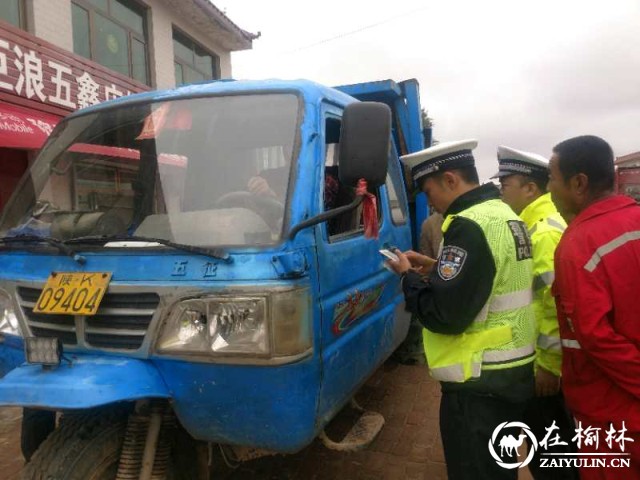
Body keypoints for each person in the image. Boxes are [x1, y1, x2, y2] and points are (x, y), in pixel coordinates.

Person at [386, 139, 536, 480]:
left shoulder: (467, 225)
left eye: (428, 191)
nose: (429, 202)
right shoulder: (502, 215)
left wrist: (408, 278)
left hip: (479, 383)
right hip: (510, 373)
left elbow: (444, 315)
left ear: (451, 179)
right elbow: (490, 276)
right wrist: (437, 266)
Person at [548, 135, 640, 480]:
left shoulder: (578, 244)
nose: (549, 189)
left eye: (551, 178)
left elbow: (595, 336)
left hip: (610, 413)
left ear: (578, 183)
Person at [493, 145, 577, 480]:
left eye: (506, 184)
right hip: (537, 358)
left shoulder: (542, 233)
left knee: (551, 452)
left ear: (530, 188)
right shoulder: (532, 226)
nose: (501, 190)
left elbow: (557, 307)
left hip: (545, 367)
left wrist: (548, 365)